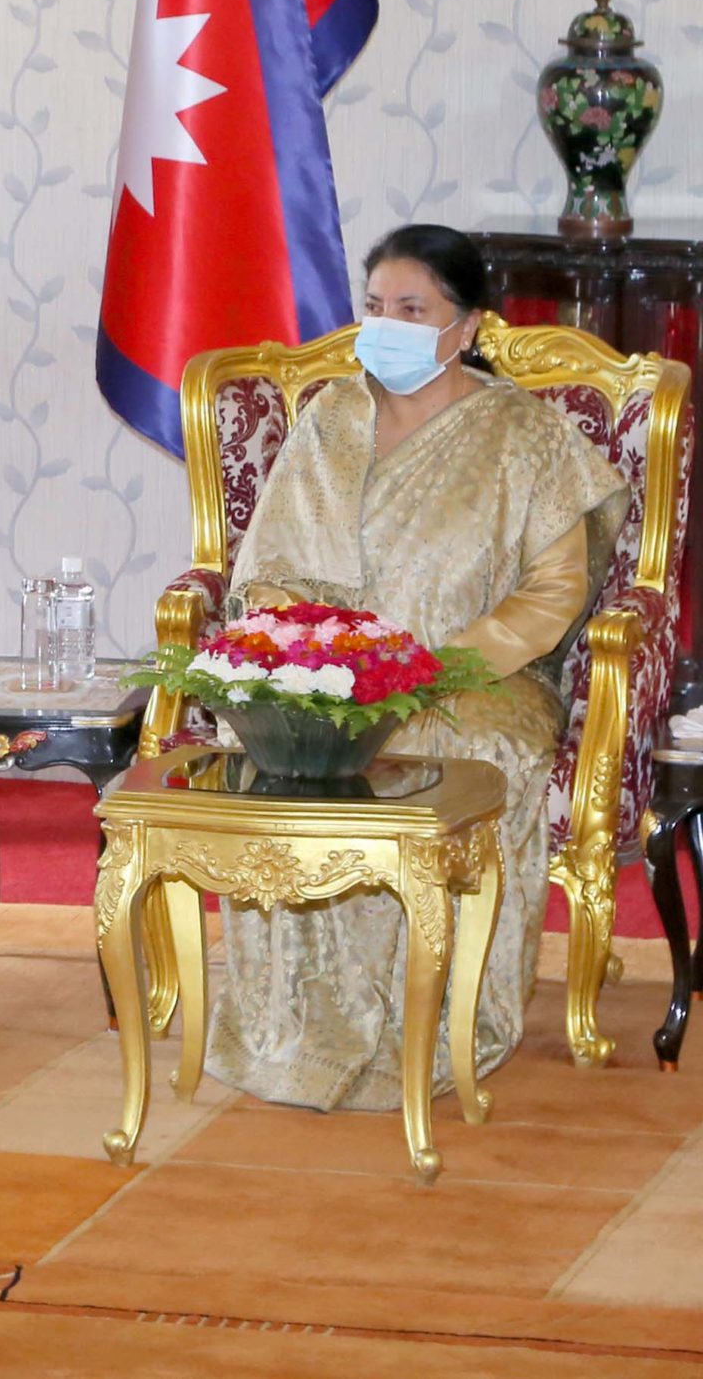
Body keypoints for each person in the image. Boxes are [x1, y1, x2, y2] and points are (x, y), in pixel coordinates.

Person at [205, 225, 630, 1110]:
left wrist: (429, 667)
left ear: (467, 327)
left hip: (473, 679)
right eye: (374, 308)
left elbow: (554, 594)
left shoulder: (525, 435)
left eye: (412, 309)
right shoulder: (329, 418)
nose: (386, 325)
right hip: (332, 673)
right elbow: (270, 569)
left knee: (477, 752)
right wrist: (307, 654)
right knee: (278, 737)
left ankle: (432, 1015)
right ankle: (297, 1017)